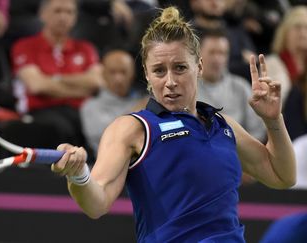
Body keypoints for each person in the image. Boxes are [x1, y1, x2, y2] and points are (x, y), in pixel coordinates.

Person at [51, 6, 296, 242]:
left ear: (198, 66)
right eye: (159, 71)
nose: (170, 81)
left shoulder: (224, 125)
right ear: (146, 74)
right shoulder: (133, 129)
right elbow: (97, 203)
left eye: (180, 68)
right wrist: (79, 175)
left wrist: (272, 119)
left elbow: (282, 176)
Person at [10, 0, 102, 147]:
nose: (63, 17)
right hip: (41, 111)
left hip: (81, 111)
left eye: (69, 12)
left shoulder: (86, 48)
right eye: (57, 11)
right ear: (42, 14)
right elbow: (37, 86)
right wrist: (81, 88)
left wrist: (54, 79)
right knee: (60, 128)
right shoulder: (25, 46)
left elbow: (96, 83)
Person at [197, 28, 265, 141]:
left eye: (222, 53)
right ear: (199, 55)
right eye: (212, 52)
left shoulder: (241, 87)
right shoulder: (189, 88)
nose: (217, 59)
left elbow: (257, 131)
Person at [80, 49, 147, 157]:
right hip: (112, 165)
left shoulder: (143, 99)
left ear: (132, 74)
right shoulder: (91, 106)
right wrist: (139, 109)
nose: (118, 79)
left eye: (123, 72)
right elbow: (110, 136)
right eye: (113, 72)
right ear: (103, 74)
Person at [265, 6, 307, 106]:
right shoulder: (272, 63)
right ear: (285, 32)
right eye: (297, 27)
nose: (303, 33)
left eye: (306, 28)